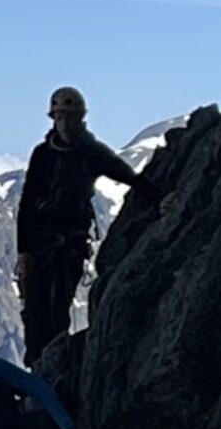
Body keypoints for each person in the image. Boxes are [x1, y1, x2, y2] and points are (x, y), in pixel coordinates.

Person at [15, 87, 146, 358]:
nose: (63, 123)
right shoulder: (43, 154)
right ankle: (41, 367)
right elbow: (27, 203)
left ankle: (52, 367)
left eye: (68, 118)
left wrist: (159, 195)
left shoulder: (92, 153)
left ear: (80, 118)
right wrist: (24, 251)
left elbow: (127, 176)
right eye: (59, 118)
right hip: (41, 246)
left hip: (68, 246)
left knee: (57, 310)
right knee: (36, 312)